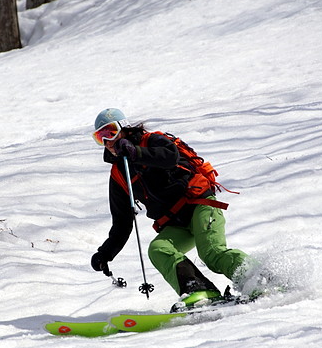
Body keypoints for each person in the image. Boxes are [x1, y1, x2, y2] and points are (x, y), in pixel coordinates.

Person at [90, 108, 250, 308]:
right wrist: (105, 253)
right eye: (100, 137)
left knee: (211, 253)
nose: (108, 141)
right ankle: (199, 291)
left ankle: (257, 278)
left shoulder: (152, 140)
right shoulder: (119, 175)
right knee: (158, 249)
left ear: (124, 128)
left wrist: (136, 153)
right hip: (175, 223)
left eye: (110, 132)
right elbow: (122, 221)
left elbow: (169, 157)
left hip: (200, 206)